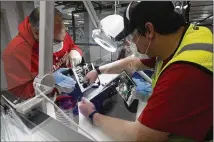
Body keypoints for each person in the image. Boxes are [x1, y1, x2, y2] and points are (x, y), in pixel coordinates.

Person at [79, 1, 213, 141]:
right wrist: (98, 71)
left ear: (149, 30)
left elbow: (140, 136)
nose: (133, 44)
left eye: (133, 37)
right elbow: (133, 63)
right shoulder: (185, 38)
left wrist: (93, 115)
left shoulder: (183, 71)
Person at [2, 7, 82, 100]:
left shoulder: (58, 32)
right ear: (36, 32)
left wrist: (76, 51)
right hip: (44, 102)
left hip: (68, 91)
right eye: (54, 41)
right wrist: (48, 82)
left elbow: (72, 46)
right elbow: (20, 93)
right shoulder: (15, 53)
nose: (60, 45)